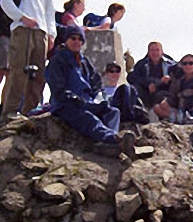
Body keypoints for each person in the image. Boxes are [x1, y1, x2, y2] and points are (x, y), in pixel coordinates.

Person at [46, 26, 135, 157]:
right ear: (66, 40)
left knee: (113, 111)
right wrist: (76, 99)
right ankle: (113, 139)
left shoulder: (84, 61)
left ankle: (107, 143)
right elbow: (58, 89)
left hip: (87, 102)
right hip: (65, 105)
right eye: (73, 38)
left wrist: (97, 97)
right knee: (88, 118)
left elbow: (96, 82)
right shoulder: (57, 61)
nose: (76, 42)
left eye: (79, 39)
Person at [0, 0, 56, 117]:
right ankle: (10, 110)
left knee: (38, 73)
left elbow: (49, 9)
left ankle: (30, 110)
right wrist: (22, 17)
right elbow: (5, 1)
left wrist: (51, 33)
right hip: (22, 29)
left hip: (40, 32)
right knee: (19, 70)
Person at [154, 54, 193, 123]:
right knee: (158, 107)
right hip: (180, 108)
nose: (188, 66)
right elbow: (172, 97)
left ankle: (186, 118)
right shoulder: (178, 78)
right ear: (181, 66)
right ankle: (182, 118)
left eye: (191, 63)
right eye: (185, 64)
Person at [127, 41, 177, 109]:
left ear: (162, 51)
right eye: (152, 50)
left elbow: (179, 74)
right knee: (134, 89)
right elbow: (131, 77)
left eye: (157, 50)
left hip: (163, 90)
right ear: (148, 52)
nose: (155, 53)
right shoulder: (141, 64)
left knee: (163, 95)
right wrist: (148, 83)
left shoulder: (170, 64)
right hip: (145, 91)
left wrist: (169, 79)